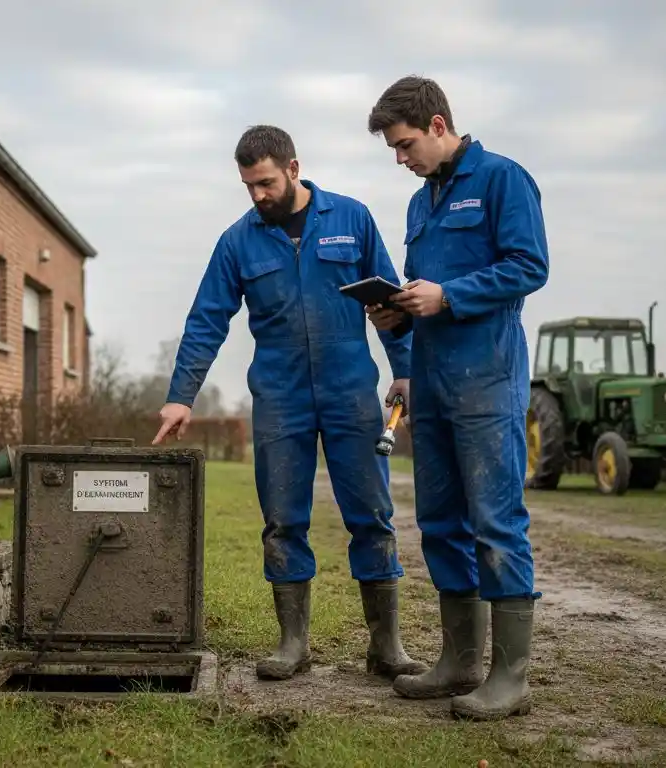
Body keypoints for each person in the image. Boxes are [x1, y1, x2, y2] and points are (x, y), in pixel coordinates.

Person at [153, 125, 426, 683]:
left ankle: (386, 647)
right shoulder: (238, 242)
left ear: (293, 169)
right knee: (282, 520)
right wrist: (181, 397)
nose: (258, 195)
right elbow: (206, 320)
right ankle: (293, 644)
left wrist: (404, 370)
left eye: (266, 183)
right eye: (248, 186)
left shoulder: (351, 218)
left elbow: (391, 302)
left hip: (351, 392)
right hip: (280, 397)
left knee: (372, 516)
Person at [363, 76, 550, 721]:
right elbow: (426, 293)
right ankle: (459, 661)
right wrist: (400, 312)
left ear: (438, 125)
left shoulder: (503, 179)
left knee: (495, 522)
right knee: (441, 522)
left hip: (488, 380)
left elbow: (529, 266)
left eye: (405, 144)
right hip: (434, 382)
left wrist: (449, 295)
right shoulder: (420, 204)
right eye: (393, 148)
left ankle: (510, 677)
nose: (400, 158)